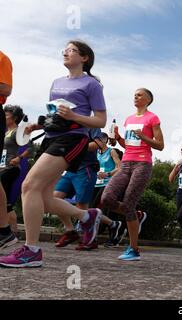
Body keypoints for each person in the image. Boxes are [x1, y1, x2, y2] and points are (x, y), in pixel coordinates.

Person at [0, 41, 107, 267]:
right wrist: (37, 126)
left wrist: (74, 117)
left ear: (85, 58)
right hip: (51, 137)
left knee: (29, 186)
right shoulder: (56, 82)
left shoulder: (92, 84)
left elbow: (100, 120)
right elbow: (54, 113)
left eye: (71, 50)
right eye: (65, 50)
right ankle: (87, 217)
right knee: (46, 200)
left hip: (74, 138)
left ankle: (31, 251)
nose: (66, 53)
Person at [102, 88, 164, 261]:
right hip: (126, 163)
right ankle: (136, 216)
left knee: (129, 202)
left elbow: (160, 145)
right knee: (107, 198)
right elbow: (128, 145)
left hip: (143, 163)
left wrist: (144, 137)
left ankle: (134, 249)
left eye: (139, 94)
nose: (135, 96)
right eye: (134, 94)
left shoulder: (152, 118)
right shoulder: (129, 119)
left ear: (148, 100)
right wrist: (117, 138)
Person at [53, 129, 122, 250]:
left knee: (83, 207)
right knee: (54, 199)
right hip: (70, 169)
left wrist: (108, 174)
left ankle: (91, 238)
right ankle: (70, 231)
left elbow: (99, 145)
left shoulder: (91, 125)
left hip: (87, 171)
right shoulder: (68, 124)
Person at [0, 105, 30, 235]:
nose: (4, 118)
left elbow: (31, 148)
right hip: (3, 167)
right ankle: (12, 230)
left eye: (7, 115)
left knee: (3, 199)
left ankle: (8, 231)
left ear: (15, 118)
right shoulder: (6, 131)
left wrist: (19, 158)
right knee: (4, 201)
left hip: (11, 168)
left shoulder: (18, 131)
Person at [0, 50, 17, 249]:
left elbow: (6, 88)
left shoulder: (2, 57)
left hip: (13, 166)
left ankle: (5, 230)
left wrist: (18, 158)